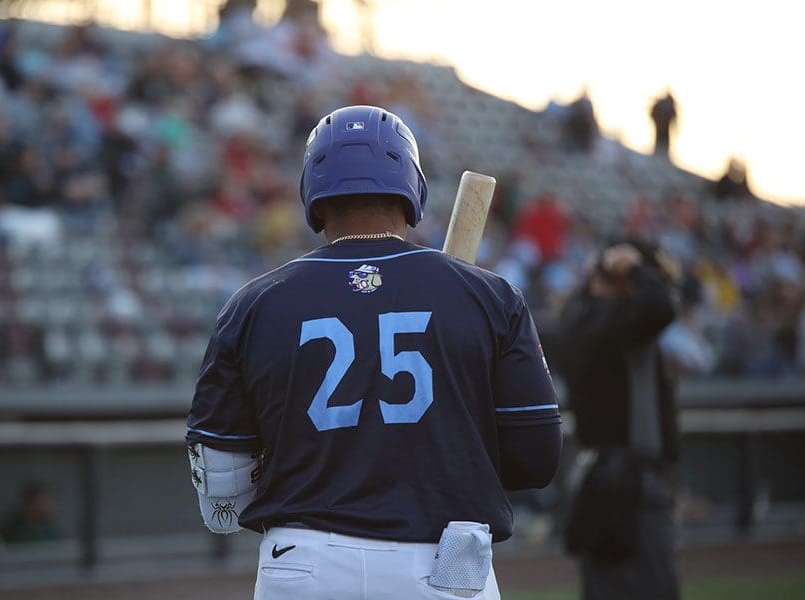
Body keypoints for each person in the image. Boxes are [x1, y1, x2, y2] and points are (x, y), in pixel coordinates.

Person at [186, 105, 562, 600]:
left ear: (313, 194)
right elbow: (535, 461)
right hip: (445, 563)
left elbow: (223, 496)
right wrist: (452, 436)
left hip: (302, 563)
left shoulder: (255, 302)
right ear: (412, 188)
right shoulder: (489, 296)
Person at [557, 240, 681, 600]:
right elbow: (661, 305)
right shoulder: (611, 320)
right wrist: (631, 268)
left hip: (601, 476)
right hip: (627, 481)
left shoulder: (581, 316)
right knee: (651, 588)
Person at [650, 90, 677, 158]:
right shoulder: (666, 104)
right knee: (661, 146)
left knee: (663, 146)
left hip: (663, 130)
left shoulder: (665, 104)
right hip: (661, 130)